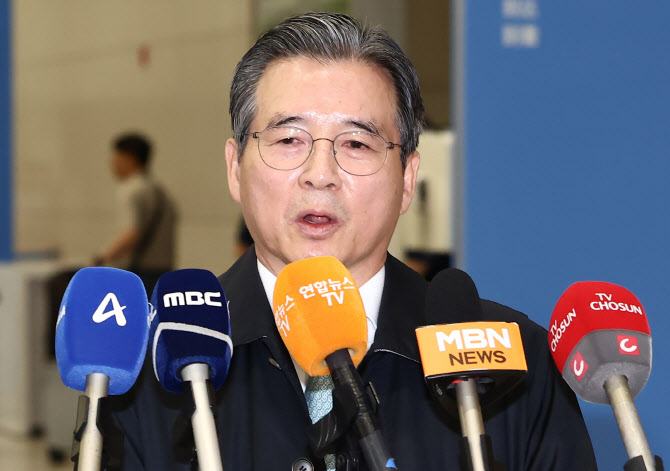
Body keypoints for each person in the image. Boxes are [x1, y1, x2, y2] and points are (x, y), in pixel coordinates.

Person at [109, 12, 598, 470]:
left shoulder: (517, 366)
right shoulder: (146, 366)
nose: (320, 174)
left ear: (407, 179)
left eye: (357, 144)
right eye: (288, 140)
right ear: (235, 168)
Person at [92, 132, 177, 293]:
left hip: (141, 271)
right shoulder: (159, 190)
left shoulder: (132, 190)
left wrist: (102, 257)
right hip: (164, 270)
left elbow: (131, 233)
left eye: (116, 159)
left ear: (129, 159)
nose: (112, 165)